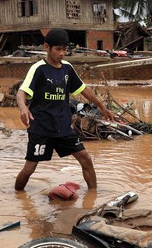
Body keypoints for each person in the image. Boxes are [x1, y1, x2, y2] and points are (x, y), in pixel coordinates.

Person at [15, 29, 115, 191]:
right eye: (58, 49)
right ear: (47, 47)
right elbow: (22, 92)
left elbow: (83, 89)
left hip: (63, 127)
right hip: (41, 127)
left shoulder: (67, 69)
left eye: (65, 49)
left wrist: (102, 107)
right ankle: (18, 197)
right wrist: (23, 108)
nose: (62, 53)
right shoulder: (38, 68)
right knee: (29, 169)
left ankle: (93, 196)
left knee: (85, 159)